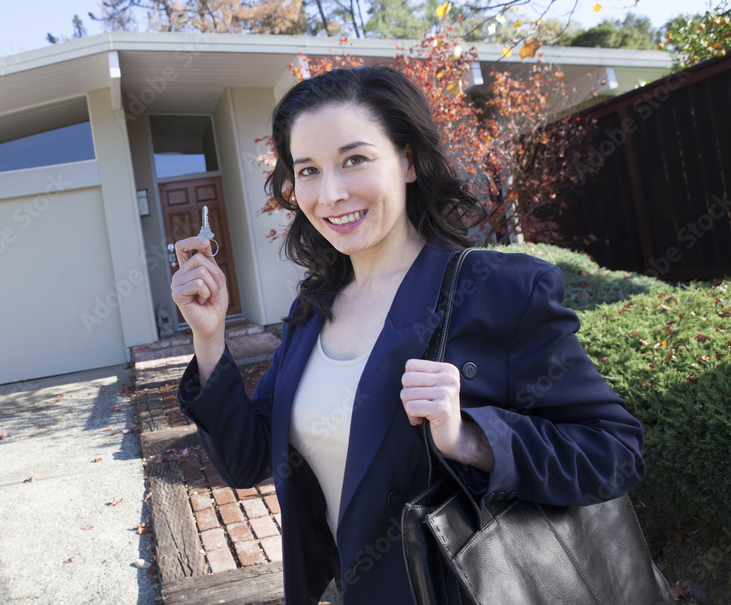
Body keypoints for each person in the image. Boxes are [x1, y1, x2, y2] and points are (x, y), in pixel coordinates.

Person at [170, 65, 645, 604]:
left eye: (355, 160)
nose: (329, 194)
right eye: (307, 170)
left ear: (409, 161)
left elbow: (614, 451)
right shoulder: (313, 308)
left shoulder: (500, 291)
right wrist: (209, 341)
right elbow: (248, 460)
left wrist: (471, 438)